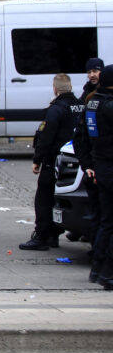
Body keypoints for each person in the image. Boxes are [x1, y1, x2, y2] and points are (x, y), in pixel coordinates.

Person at [20, 74, 83, 251]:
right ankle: (54, 235)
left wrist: (37, 159)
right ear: (70, 87)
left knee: (43, 198)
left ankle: (41, 236)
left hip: (54, 159)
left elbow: (46, 137)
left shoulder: (55, 109)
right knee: (58, 198)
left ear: (55, 89)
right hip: (74, 160)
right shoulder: (80, 106)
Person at [73, 64, 113, 287]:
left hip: (99, 166)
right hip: (108, 166)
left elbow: (81, 138)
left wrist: (88, 164)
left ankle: (98, 269)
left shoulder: (92, 103)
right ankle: (107, 272)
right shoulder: (108, 105)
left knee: (104, 221)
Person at [80, 57, 104, 253]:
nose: (92, 75)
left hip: (98, 162)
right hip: (95, 162)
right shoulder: (88, 93)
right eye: (89, 72)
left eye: (95, 71)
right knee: (99, 211)